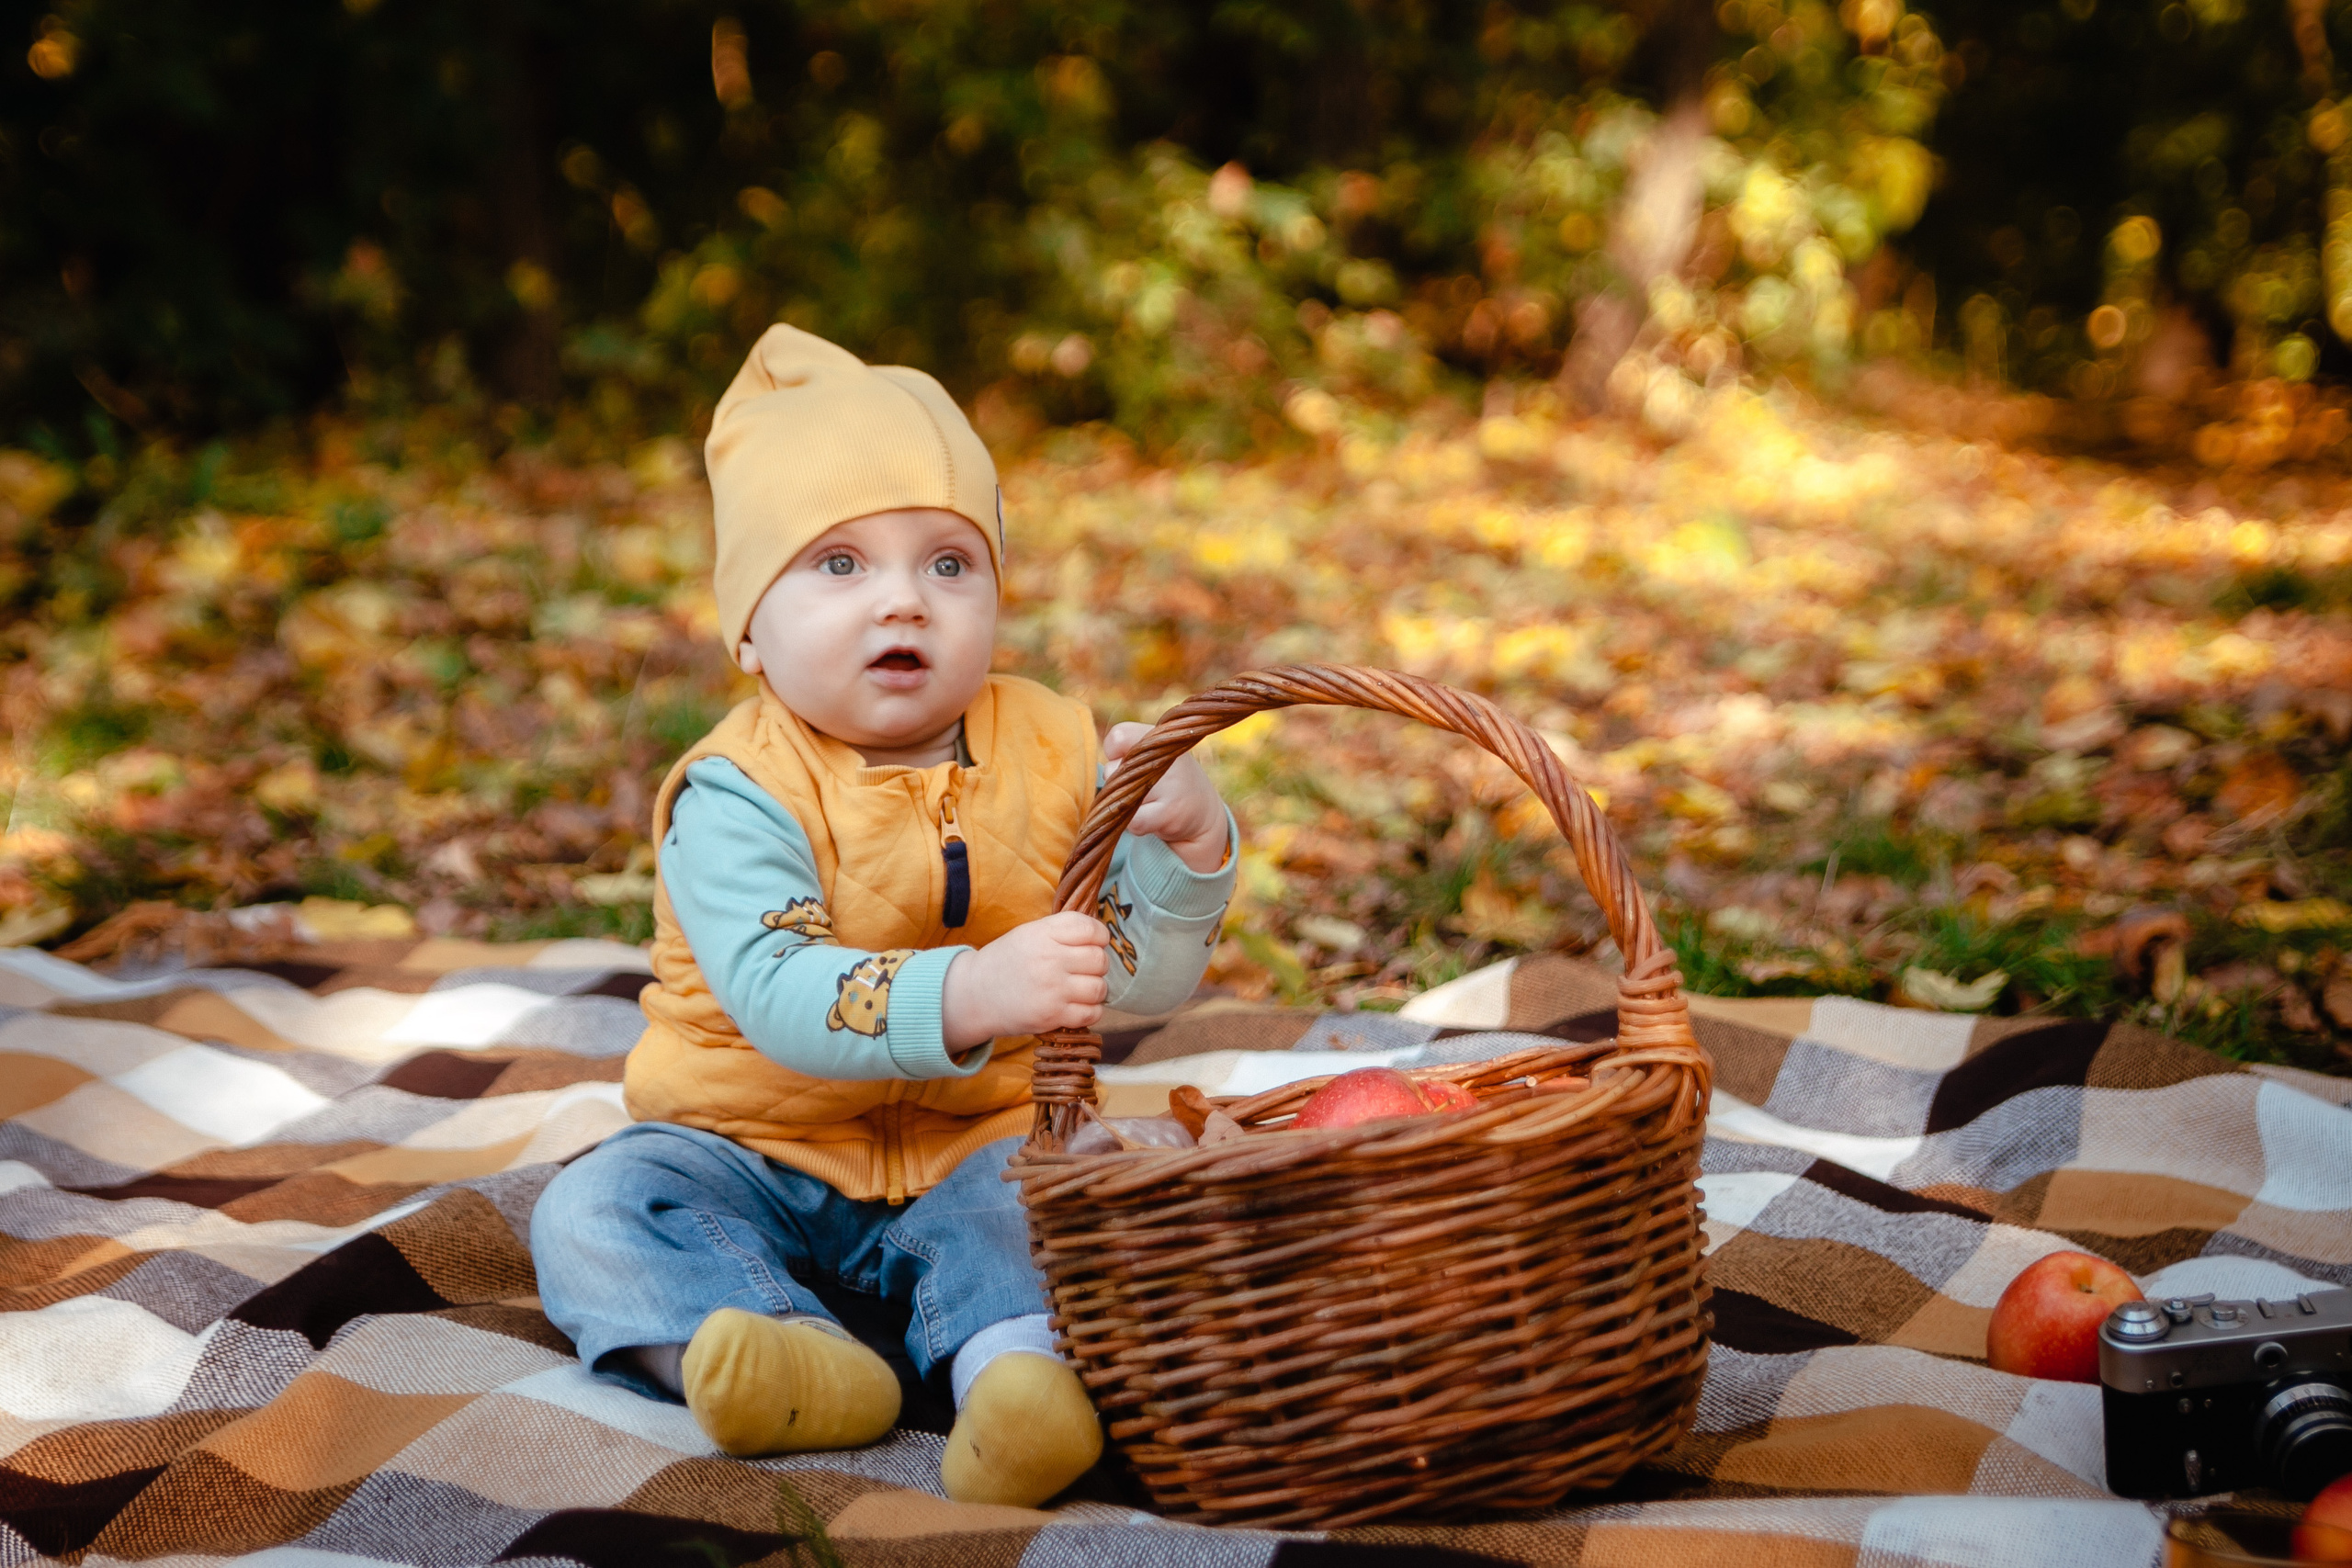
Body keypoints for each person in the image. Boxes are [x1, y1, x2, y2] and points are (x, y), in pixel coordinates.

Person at [530, 324, 1237, 1509]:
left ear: (997, 594)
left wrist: (1194, 849)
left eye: (949, 564)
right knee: (596, 1207)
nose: (904, 598)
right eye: (840, 565)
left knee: (1062, 1195)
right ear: (750, 630)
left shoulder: (1058, 748)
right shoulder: (738, 788)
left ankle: (1013, 1385)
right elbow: (779, 990)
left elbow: (1132, 979)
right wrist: (971, 993)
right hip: (751, 1151)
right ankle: (779, 1359)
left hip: (974, 1141)